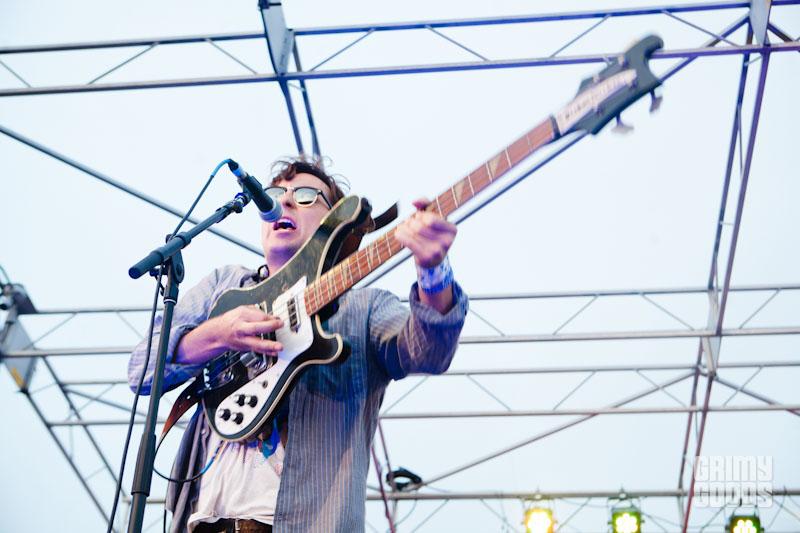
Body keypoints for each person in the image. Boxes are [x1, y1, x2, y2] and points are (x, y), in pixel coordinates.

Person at [128, 157, 468, 533]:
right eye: (276, 194)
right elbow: (142, 370)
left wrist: (433, 273)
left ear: (334, 224)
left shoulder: (364, 308)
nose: (286, 201)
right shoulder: (225, 286)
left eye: (306, 196)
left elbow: (429, 352)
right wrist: (217, 334)